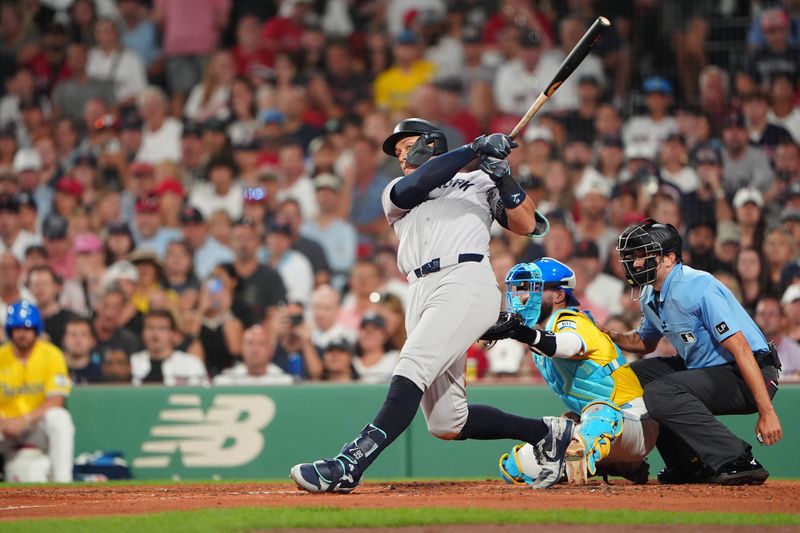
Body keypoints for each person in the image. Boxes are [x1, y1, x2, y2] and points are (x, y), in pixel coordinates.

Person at [291, 118, 560, 494]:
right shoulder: (396, 190)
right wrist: (474, 149)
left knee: (412, 367)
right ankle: (547, 432)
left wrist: (502, 175)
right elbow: (416, 185)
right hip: (419, 288)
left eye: (406, 147)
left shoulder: (480, 182)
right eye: (398, 152)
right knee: (447, 421)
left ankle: (350, 463)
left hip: (465, 277)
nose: (401, 157)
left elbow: (528, 224)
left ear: (431, 143)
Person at [608, 218, 782, 485]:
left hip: (750, 373)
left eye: (644, 255)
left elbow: (742, 348)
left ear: (668, 259)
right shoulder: (648, 293)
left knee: (660, 392)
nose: (636, 263)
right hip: (706, 370)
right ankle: (688, 464)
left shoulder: (697, 286)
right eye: (633, 256)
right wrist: (606, 335)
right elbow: (645, 342)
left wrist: (767, 412)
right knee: (633, 376)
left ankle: (737, 458)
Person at [489, 258, 658, 487]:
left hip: (632, 420)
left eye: (534, 289)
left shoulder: (570, 319)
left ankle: (606, 458)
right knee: (517, 466)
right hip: (599, 426)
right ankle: (614, 462)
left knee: (600, 413)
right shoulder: (541, 336)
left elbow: (568, 345)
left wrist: (521, 333)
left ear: (558, 295)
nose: (524, 296)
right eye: (523, 289)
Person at [0, 301, 74, 482]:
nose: (22, 334)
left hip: (36, 425)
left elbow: (57, 399)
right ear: (10, 331)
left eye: (27, 329)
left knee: (60, 418)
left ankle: (63, 482)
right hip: (6, 427)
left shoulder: (52, 354)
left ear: (36, 330)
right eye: (17, 329)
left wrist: (25, 420)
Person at [130, 309, 209, 386]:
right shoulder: (132, 362)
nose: (155, 334)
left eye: (162, 328)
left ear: (173, 334)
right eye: (150, 328)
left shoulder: (191, 364)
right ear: (142, 333)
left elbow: (203, 393)